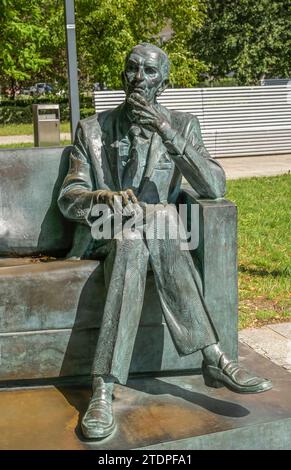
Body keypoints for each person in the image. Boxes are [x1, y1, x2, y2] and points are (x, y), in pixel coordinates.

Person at [58, 43, 272, 440]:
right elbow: (69, 197)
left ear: (164, 81)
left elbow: (214, 186)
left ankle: (103, 387)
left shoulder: (184, 124)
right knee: (146, 226)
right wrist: (100, 197)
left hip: (149, 237)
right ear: (123, 75)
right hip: (107, 227)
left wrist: (165, 130)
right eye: (132, 69)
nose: (139, 78)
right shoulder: (92, 129)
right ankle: (214, 355)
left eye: (150, 72)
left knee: (145, 232)